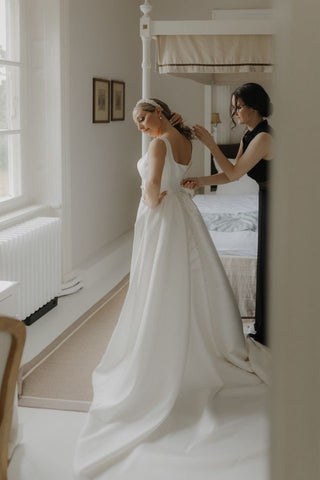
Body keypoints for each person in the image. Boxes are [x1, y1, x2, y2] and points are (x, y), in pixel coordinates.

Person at [73, 98, 270, 480]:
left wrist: (148, 201)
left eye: (143, 117)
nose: (140, 125)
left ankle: (163, 337)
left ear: (158, 113)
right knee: (191, 277)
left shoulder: (159, 143)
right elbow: (178, 175)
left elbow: (151, 185)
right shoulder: (184, 140)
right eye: (136, 122)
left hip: (163, 215)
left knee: (159, 279)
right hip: (185, 212)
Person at [182, 83, 273, 346]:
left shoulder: (264, 137)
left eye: (238, 107)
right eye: (233, 108)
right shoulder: (249, 134)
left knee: (273, 262)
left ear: (254, 107)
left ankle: (274, 326)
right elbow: (232, 176)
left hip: (279, 202)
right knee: (266, 261)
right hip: (266, 198)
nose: (235, 113)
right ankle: (264, 324)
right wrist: (199, 180)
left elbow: (233, 173)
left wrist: (211, 144)